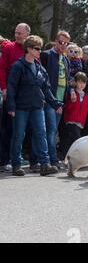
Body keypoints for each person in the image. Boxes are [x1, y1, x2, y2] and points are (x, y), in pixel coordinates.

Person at [7, 35, 62, 176]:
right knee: (19, 135)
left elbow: (46, 88)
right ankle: (16, 165)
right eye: (37, 48)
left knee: (41, 134)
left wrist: (55, 104)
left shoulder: (40, 68)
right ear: (29, 49)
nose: (40, 51)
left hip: (37, 106)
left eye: (40, 48)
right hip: (21, 107)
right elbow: (11, 87)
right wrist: (11, 106)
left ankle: (45, 164)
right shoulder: (18, 66)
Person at [0, 23, 30, 171]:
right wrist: (4, 88)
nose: (17, 35)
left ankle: (16, 157)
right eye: (16, 32)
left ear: (27, 35)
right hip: (10, 95)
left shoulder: (30, 50)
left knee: (21, 129)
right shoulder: (8, 48)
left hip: (25, 97)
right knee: (8, 128)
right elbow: (2, 69)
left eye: (20, 33)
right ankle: (5, 159)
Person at [39, 30, 72, 167]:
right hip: (49, 100)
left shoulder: (65, 59)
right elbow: (42, 79)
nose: (63, 45)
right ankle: (51, 159)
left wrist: (71, 91)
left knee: (53, 130)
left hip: (61, 100)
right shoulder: (46, 55)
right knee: (51, 129)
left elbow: (66, 80)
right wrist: (45, 97)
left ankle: (48, 158)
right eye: (60, 42)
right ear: (55, 41)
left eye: (66, 43)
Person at [61, 72, 88, 155]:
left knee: (72, 141)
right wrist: (73, 101)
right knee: (77, 140)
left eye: (83, 82)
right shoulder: (71, 93)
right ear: (75, 83)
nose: (82, 85)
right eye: (79, 82)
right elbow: (68, 107)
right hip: (71, 121)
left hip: (80, 123)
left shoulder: (87, 96)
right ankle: (76, 157)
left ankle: (69, 157)